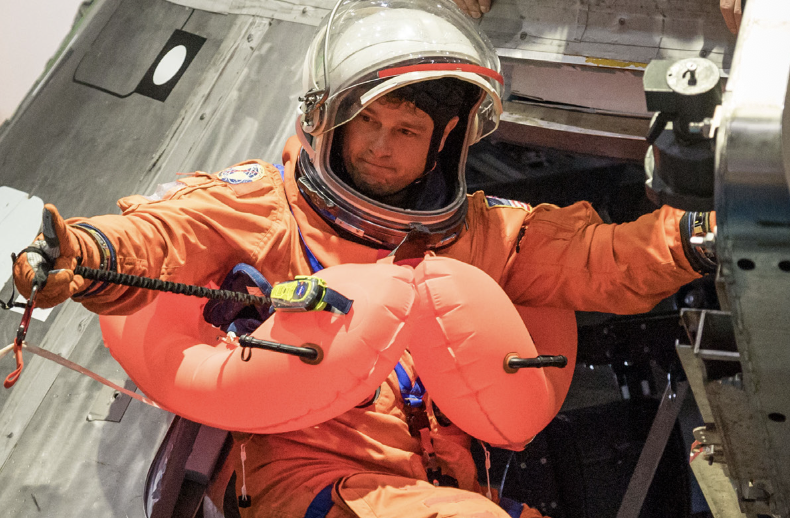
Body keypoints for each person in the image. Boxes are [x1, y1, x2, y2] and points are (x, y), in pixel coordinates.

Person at [12, 0, 715, 516]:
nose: (380, 146)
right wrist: (84, 252)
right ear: (333, 119)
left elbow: (601, 258)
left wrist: (700, 235)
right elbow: (162, 237)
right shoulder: (264, 205)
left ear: (443, 143)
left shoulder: (480, 230)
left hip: (443, 481)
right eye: (367, 122)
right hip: (301, 478)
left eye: (406, 130)